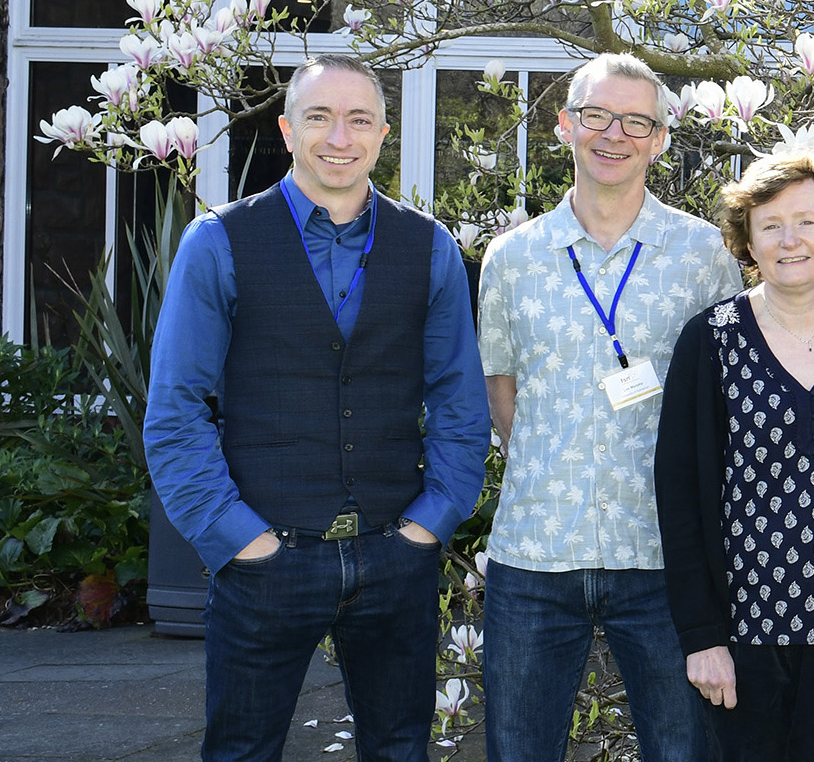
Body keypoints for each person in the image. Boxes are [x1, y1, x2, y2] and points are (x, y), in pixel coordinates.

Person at [144, 54, 490, 762]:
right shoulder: (218, 242)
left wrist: (432, 522)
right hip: (266, 558)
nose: (341, 136)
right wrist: (239, 539)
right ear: (286, 128)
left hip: (397, 554)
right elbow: (175, 410)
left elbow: (460, 397)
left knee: (400, 748)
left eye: (359, 118)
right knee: (241, 751)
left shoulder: (429, 248)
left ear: (384, 132)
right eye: (320, 117)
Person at [477, 54, 742, 762]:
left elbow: (721, 392)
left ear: (659, 139)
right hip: (536, 553)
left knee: (686, 750)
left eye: (635, 120)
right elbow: (500, 390)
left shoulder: (703, 254)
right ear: (565, 126)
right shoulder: (512, 257)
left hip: (663, 555)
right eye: (596, 115)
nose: (613, 133)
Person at [655, 152, 814, 762]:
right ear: (748, 241)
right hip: (744, 629)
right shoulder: (712, 338)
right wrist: (702, 637)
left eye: (806, 222)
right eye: (770, 225)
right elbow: (681, 495)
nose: (789, 240)